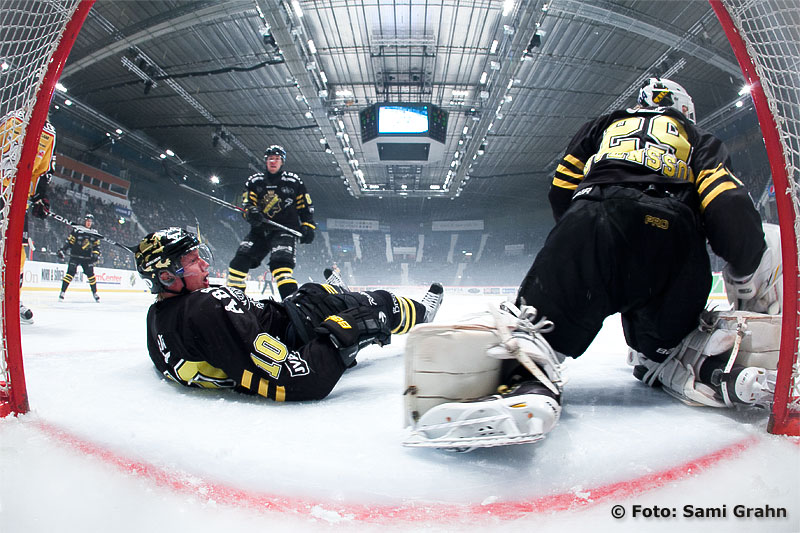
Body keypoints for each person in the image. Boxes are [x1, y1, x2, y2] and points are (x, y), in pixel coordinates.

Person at [404, 78, 781, 451]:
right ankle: (705, 366)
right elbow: (726, 201)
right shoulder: (697, 138)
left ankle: (528, 383)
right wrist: (745, 264)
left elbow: (561, 187)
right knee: (667, 341)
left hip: (596, 214)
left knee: (541, 332)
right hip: (672, 236)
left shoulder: (604, 125)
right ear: (686, 111)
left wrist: (579, 240)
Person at [136, 227, 444, 402]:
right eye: (192, 261)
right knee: (377, 302)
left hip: (286, 313)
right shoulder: (205, 308)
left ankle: (333, 293)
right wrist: (342, 334)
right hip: (299, 329)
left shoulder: (158, 317)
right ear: (166, 277)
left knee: (314, 290)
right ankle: (421, 314)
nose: (204, 265)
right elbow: (297, 379)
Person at [227, 145, 316, 300]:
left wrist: (308, 226)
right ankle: (235, 302)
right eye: (270, 159)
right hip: (259, 231)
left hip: (285, 230)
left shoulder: (294, 181)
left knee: (281, 268)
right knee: (237, 265)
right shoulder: (255, 181)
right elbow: (247, 204)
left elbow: (305, 206)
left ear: (282, 162)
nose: (273, 162)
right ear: (266, 161)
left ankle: (294, 308)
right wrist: (251, 212)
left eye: (276, 159)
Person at [0, 110, 56, 324]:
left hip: (18, 202)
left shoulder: (49, 133)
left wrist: (41, 196)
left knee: (16, 255)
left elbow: (44, 170)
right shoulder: (12, 119)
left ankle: (11, 301)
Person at [57, 213, 101, 302]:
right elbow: (70, 241)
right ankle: (62, 292)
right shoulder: (77, 230)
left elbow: (96, 246)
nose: (89, 223)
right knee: (70, 273)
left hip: (87, 258)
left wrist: (96, 254)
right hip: (75, 256)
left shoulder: (94, 233)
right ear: (84, 221)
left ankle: (95, 293)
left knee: (91, 275)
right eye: (87, 221)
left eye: (90, 221)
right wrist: (63, 250)